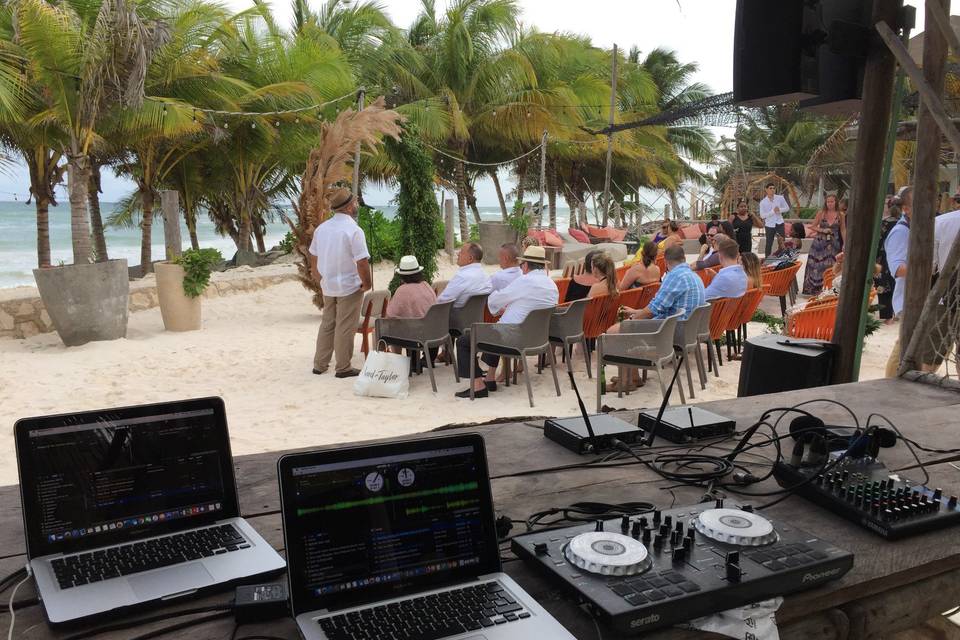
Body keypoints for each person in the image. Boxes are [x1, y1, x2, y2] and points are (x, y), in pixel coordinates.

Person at [455, 245, 559, 398]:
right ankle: (489, 378)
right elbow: (530, 306)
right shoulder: (551, 285)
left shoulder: (525, 281)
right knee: (497, 326)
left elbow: (497, 299)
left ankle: (478, 386)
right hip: (539, 339)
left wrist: (503, 303)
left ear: (526, 265)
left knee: (465, 340)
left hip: (516, 340)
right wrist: (513, 307)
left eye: (522, 264)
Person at [309, 188, 372, 378]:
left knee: (327, 323)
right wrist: (366, 283)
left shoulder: (322, 228)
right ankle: (343, 367)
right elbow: (362, 261)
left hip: (329, 285)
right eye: (355, 202)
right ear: (350, 206)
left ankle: (320, 364)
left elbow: (313, 255)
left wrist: (319, 278)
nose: (357, 205)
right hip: (349, 285)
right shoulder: (353, 230)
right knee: (345, 326)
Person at [618, 245, 705, 322]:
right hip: (688, 330)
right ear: (684, 259)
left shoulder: (674, 277)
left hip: (670, 332)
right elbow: (659, 308)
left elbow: (652, 311)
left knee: (613, 330)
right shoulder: (696, 277)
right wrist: (635, 312)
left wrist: (630, 320)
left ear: (665, 262)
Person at [884, 186, 913, 377]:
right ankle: (890, 383)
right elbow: (898, 269)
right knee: (904, 344)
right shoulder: (901, 232)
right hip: (908, 299)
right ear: (906, 208)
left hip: (916, 298)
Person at [802, 194, 845, 296]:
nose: (830, 204)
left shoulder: (841, 215)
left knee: (832, 265)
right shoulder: (821, 213)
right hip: (820, 243)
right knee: (816, 265)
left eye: (832, 201)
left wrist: (845, 243)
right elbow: (812, 226)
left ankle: (830, 287)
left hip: (834, 243)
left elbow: (843, 229)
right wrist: (822, 230)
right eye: (828, 202)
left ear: (836, 202)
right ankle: (814, 288)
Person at [437, 242, 492, 308]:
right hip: (477, 316)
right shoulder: (486, 275)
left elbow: (442, 302)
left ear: (470, 258)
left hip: (455, 316)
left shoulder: (462, 276)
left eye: (461, 252)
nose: (457, 254)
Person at [875, 196, 900, 322]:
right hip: (898, 257)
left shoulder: (884, 223)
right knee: (896, 284)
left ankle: (886, 316)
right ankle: (896, 312)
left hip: (883, 258)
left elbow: (877, 242)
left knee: (883, 286)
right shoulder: (904, 224)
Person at [759, 182, 790, 256]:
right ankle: (767, 260)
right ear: (766, 190)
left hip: (780, 223)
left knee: (782, 242)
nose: (772, 190)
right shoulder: (763, 202)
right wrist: (773, 211)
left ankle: (783, 258)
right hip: (769, 225)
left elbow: (787, 208)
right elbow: (762, 216)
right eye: (770, 188)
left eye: (773, 188)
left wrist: (779, 210)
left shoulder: (780, 198)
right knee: (769, 243)